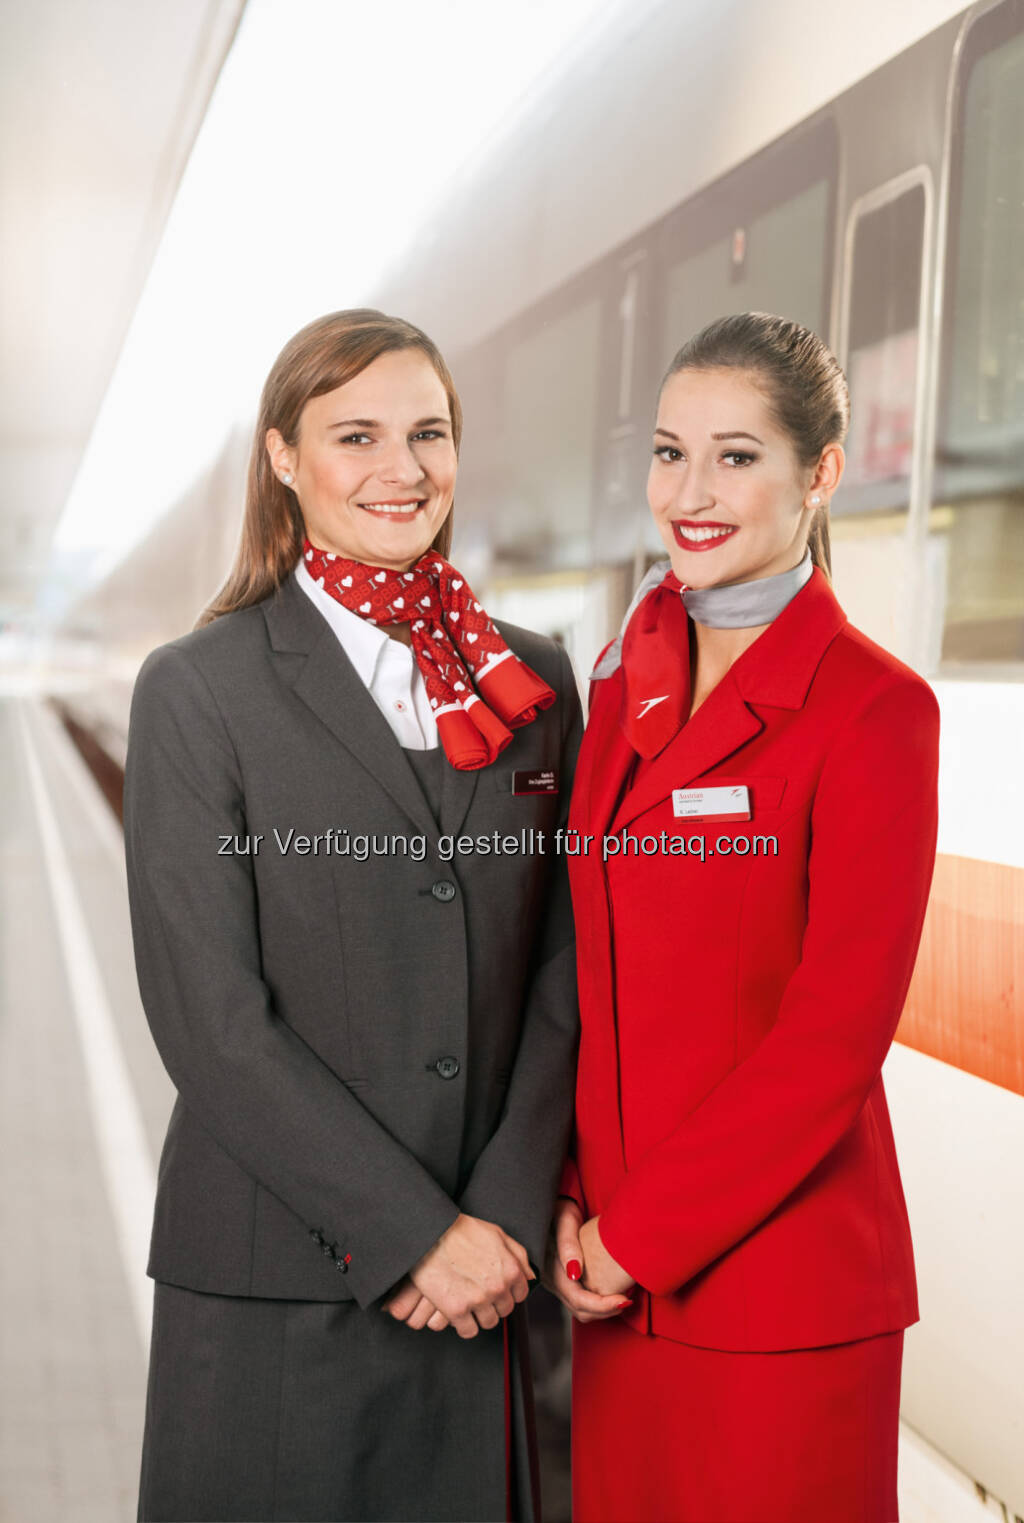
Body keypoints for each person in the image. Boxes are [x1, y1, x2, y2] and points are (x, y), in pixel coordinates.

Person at [123, 308, 583, 1523]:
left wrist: (501, 1213)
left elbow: (563, 969)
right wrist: (414, 1233)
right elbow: (211, 1019)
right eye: (357, 435)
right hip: (284, 1276)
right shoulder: (198, 689)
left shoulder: (535, 683)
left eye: (428, 432)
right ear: (283, 457)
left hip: (489, 1275)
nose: (402, 467)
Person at [545, 312, 940, 1523]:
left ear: (821, 472)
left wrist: (637, 1234)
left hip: (775, 1296)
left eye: (736, 456)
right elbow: (583, 966)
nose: (689, 494)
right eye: (669, 453)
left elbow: (831, 1041)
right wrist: (570, 1192)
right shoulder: (622, 680)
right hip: (615, 1288)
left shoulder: (874, 709)